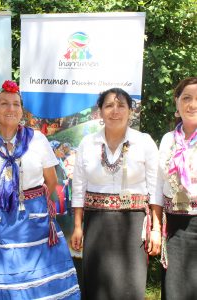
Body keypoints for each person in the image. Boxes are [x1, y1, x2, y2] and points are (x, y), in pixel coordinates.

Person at [0, 80, 80, 299]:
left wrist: (30, 203)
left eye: (16, 104)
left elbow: (51, 179)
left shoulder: (37, 139)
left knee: (36, 283)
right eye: (4, 104)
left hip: (34, 221)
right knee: (1, 281)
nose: (11, 109)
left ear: (22, 111)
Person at [70, 88, 160, 300]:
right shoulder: (87, 144)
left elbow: (155, 187)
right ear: (100, 112)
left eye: (121, 106)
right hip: (96, 225)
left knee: (130, 285)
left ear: (131, 110)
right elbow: (79, 187)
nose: (115, 111)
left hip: (133, 225)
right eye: (109, 105)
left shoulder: (144, 142)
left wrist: (156, 228)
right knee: (95, 285)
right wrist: (77, 226)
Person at [154, 77, 197, 300]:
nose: (193, 104)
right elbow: (159, 185)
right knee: (175, 291)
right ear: (177, 104)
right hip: (175, 229)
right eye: (187, 98)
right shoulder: (167, 139)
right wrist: (155, 226)